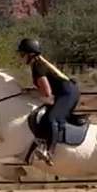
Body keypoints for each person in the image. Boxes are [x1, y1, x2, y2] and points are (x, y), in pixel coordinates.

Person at [16, 37, 80, 166]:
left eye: (22, 54)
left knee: (52, 118)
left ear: (30, 54)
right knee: (42, 116)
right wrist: (30, 91)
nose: (21, 57)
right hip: (63, 93)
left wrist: (30, 92)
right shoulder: (37, 64)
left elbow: (46, 93)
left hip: (68, 94)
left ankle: (49, 152)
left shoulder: (38, 67)